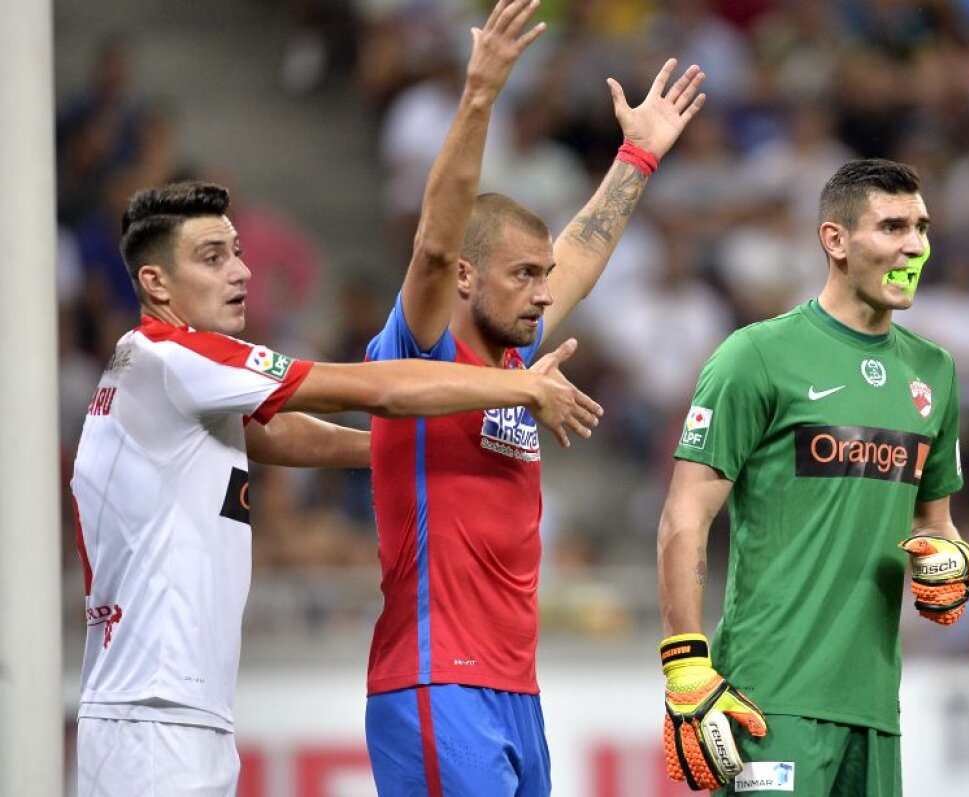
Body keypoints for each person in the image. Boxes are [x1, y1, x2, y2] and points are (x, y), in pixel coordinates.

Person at [70, 179, 601, 797]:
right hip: (153, 711)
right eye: (213, 257)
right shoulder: (175, 359)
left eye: (238, 251)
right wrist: (522, 389)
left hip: (171, 704)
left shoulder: (162, 375)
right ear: (156, 283)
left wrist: (408, 454)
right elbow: (375, 388)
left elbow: (279, 436)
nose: (242, 271)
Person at [360, 1, 706, 794]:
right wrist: (481, 93)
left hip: (515, 689)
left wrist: (639, 157)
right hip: (435, 680)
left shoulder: (519, 351)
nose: (544, 293)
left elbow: (582, 246)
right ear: (466, 279)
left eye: (544, 278)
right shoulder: (417, 345)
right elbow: (436, 239)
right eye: (525, 274)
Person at [656, 159, 969, 796]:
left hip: (876, 707)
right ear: (835, 241)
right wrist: (685, 662)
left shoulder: (934, 372)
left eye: (920, 227)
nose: (914, 244)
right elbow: (684, 515)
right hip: (769, 697)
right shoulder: (757, 356)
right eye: (891, 227)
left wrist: (953, 563)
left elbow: (935, 523)